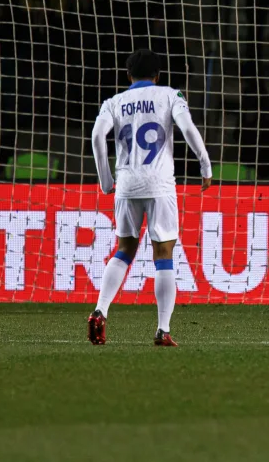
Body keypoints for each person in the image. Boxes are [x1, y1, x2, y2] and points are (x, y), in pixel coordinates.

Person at [88, 49, 213, 346]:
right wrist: (205, 165)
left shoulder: (113, 103)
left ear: (128, 76)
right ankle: (162, 329)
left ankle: (100, 309)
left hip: (127, 185)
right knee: (164, 255)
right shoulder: (170, 95)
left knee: (124, 250)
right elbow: (187, 129)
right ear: (157, 76)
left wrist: (106, 180)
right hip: (159, 185)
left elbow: (96, 136)